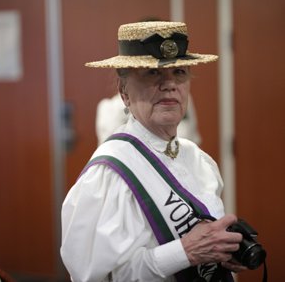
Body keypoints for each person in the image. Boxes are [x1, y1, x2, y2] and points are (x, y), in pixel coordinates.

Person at [61, 21, 247, 282]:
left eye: (180, 72)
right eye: (152, 74)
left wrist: (221, 251)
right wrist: (186, 252)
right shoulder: (108, 177)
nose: (169, 84)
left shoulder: (198, 160)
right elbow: (103, 278)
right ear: (124, 92)